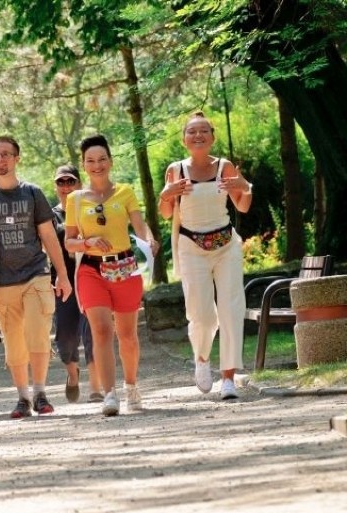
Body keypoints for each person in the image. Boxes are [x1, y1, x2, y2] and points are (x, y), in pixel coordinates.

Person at [0, 136, 72, 419]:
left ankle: (40, 393)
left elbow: (48, 235)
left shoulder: (33, 193)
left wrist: (62, 274)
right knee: (14, 342)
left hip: (35, 273)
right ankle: (22, 397)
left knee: (37, 334)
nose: (0, 160)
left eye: (6, 155)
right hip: (0, 281)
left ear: (16, 159)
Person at [159, 111, 252, 400]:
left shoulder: (225, 167)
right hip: (191, 247)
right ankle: (201, 358)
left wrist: (245, 188)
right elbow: (165, 213)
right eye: (192, 132)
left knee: (231, 308)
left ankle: (228, 377)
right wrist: (166, 193)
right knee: (201, 314)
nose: (198, 136)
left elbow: (243, 205)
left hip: (226, 245)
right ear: (184, 139)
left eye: (203, 131)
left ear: (212, 136)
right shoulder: (176, 170)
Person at [64, 135, 159, 416]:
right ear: (83, 165)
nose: (97, 165)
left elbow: (140, 226)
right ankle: (109, 394)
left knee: (127, 335)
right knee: (102, 331)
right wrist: (87, 243)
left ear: (110, 161)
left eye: (102, 159)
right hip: (91, 270)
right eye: (90, 161)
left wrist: (150, 240)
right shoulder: (75, 199)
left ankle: (131, 386)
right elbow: (69, 242)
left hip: (126, 267)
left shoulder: (125, 192)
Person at [50, 164, 95, 403]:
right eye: (61, 182)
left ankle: (97, 386)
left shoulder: (90, 209)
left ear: (79, 183)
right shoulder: (49, 214)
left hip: (90, 275)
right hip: (62, 280)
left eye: (71, 181)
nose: (66, 187)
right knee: (66, 335)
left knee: (93, 331)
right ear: (55, 186)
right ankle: (73, 374)